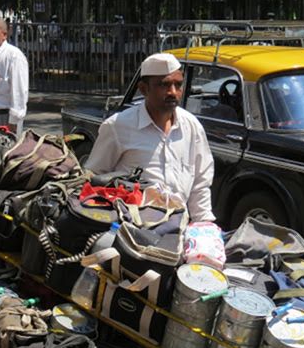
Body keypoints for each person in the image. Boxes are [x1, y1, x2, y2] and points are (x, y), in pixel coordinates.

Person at [86, 53, 215, 223]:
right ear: (144, 89)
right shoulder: (117, 126)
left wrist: (203, 224)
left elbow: (200, 182)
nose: (173, 92)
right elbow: (94, 178)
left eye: (178, 85)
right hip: (132, 230)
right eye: (164, 85)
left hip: (179, 229)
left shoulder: (191, 126)